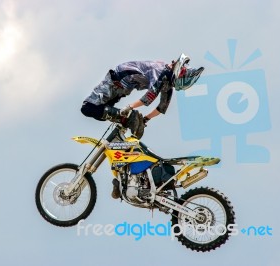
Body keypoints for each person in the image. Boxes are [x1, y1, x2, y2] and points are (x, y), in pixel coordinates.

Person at [81, 53, 204, 199]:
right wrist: (129, 109)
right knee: (92, 110)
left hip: (122, 87)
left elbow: (161, 108)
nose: (176, 85)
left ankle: (122, 177)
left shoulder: (167, 81)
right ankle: (126, 123)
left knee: (92, 110)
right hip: (117, 80)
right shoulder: (161, 71)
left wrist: (145, 119)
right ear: (179, 73)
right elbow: (149, 97)